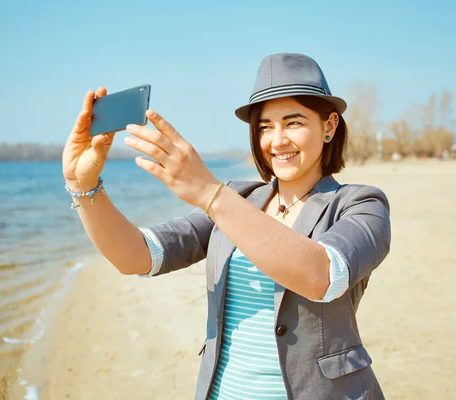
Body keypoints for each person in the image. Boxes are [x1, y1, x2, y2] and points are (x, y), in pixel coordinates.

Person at [62, 53, 391, 400]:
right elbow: (135, 256)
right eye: (265, 126)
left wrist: (208, 191)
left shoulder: (361, 204)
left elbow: (321, 276)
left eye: (293, 123)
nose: (276, 140)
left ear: (329, 126)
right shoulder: (239, 199)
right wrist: (83, 187)